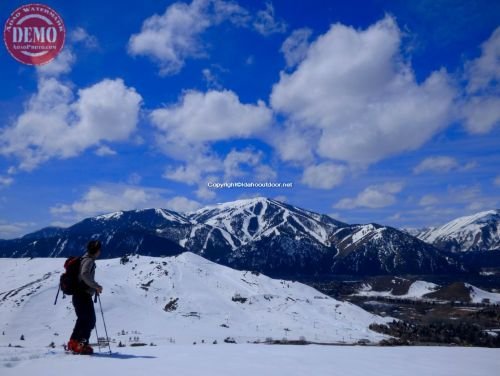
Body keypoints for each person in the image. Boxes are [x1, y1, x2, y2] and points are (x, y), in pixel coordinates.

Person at [67, 240, 104, 354]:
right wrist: (96, 286)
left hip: (79, 295)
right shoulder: (89, 261)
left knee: (84, 319)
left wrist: (93, 287)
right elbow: (84, 274)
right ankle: (80, 344)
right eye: (99, 250)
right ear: (97, 251)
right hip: (83, 295)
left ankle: (75, 343)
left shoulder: (83, 259)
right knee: (88, 320)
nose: (100, 252)